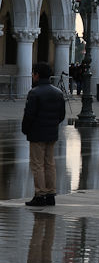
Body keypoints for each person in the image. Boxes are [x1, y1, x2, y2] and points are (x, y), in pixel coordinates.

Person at [21, 62, 66, 206]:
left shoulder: (34, 93)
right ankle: (51, 193)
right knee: (49, 163)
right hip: (51, 133)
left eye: (33, 74)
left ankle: (39, 194)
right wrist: (52, 124)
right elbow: (61, 115)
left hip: (37, 134)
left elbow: (29, 115)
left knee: (37, 165)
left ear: (37, 75)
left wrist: (26, 129)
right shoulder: (58, 92)